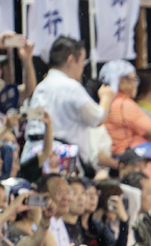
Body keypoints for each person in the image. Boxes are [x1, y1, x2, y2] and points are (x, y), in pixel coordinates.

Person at [28, 36, 113, 166]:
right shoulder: (70, 87)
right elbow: (97, 119)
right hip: (59, 158)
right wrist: (106, 97)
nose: (82, 68)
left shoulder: (41, 87)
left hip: (33, 154)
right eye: (82, 62)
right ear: (71, 60)